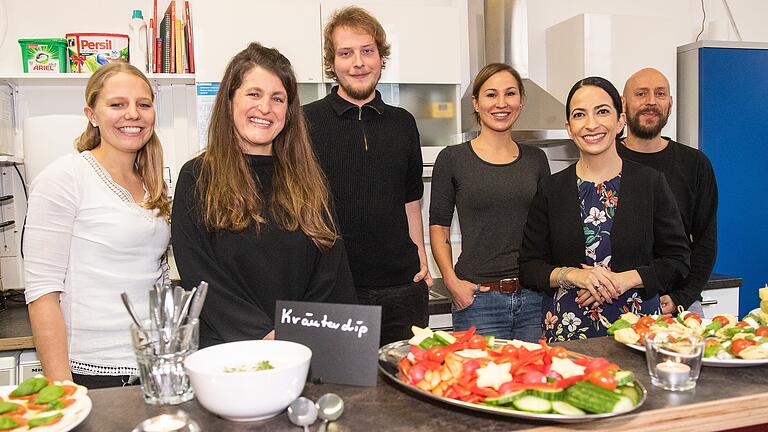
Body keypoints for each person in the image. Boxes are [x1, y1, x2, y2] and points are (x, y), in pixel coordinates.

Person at [172, 42, 356, 348]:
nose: (265, 108)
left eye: (278, 98)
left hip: (301, 350)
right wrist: (263, 334)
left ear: (289, 111)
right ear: (230, 100)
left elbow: (330, 271)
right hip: (227, 353)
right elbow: (198, 273)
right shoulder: (197, 177)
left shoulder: (309, 180)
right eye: (253, 94)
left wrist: (296, 332)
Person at [23, 62, 171, 388]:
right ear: (92, 114)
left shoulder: (152, 182)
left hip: (151, 366)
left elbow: (155, 275)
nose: (133, 114)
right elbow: (42, 293)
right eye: (117, 104)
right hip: (91, 370)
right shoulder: (65, 177)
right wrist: (64, 389)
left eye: (143, 104)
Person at [519, 76, 691, 341]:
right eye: (579, 115)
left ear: (620, 120)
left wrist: (624, 280)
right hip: (568, 332)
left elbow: (677, 260)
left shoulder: (651, 183)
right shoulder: (551, 189)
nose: (591, 124)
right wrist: (575, 276)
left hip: (638, 330)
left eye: (602, 111)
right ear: (569, 127)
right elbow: (530, 268)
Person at [303, 6, 431, 346]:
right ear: (332, 63)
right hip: (336, 289)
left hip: (403, 288)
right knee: (343, 394)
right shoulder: (304, 122)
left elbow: (410, 200)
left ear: (380, 57)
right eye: (346, 53)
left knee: (408, 389)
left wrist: (421, 255)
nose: (358, 63)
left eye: (367, 51)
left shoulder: (403, 123)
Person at [428, 63, 550, 342]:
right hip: (478, 300)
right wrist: (450, 281)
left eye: (510, 94)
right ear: (476, 102)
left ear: (521, 102)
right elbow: (439, 228)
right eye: (491, 95)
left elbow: (547, 228)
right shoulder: (452, 159)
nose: (501, 103)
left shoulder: (536, 159)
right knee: (481, 383)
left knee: (531, 382)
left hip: (533, 299)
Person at [618, 67, 718, 315]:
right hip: (616, 303)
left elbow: (705, 242)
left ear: (670, 104)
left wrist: (680, 298)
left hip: (679, 304)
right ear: (623, 103)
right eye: (641, 94)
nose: (651, 101)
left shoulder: (695, 164)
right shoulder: (605, 161)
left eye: (660, 94)